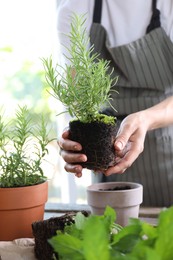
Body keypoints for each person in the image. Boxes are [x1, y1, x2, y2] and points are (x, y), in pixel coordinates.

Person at [57, 0, 173, 207]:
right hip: (110, 157)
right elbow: (79, 98)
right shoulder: (74, 10)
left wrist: (145, 119)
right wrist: (76, 136)